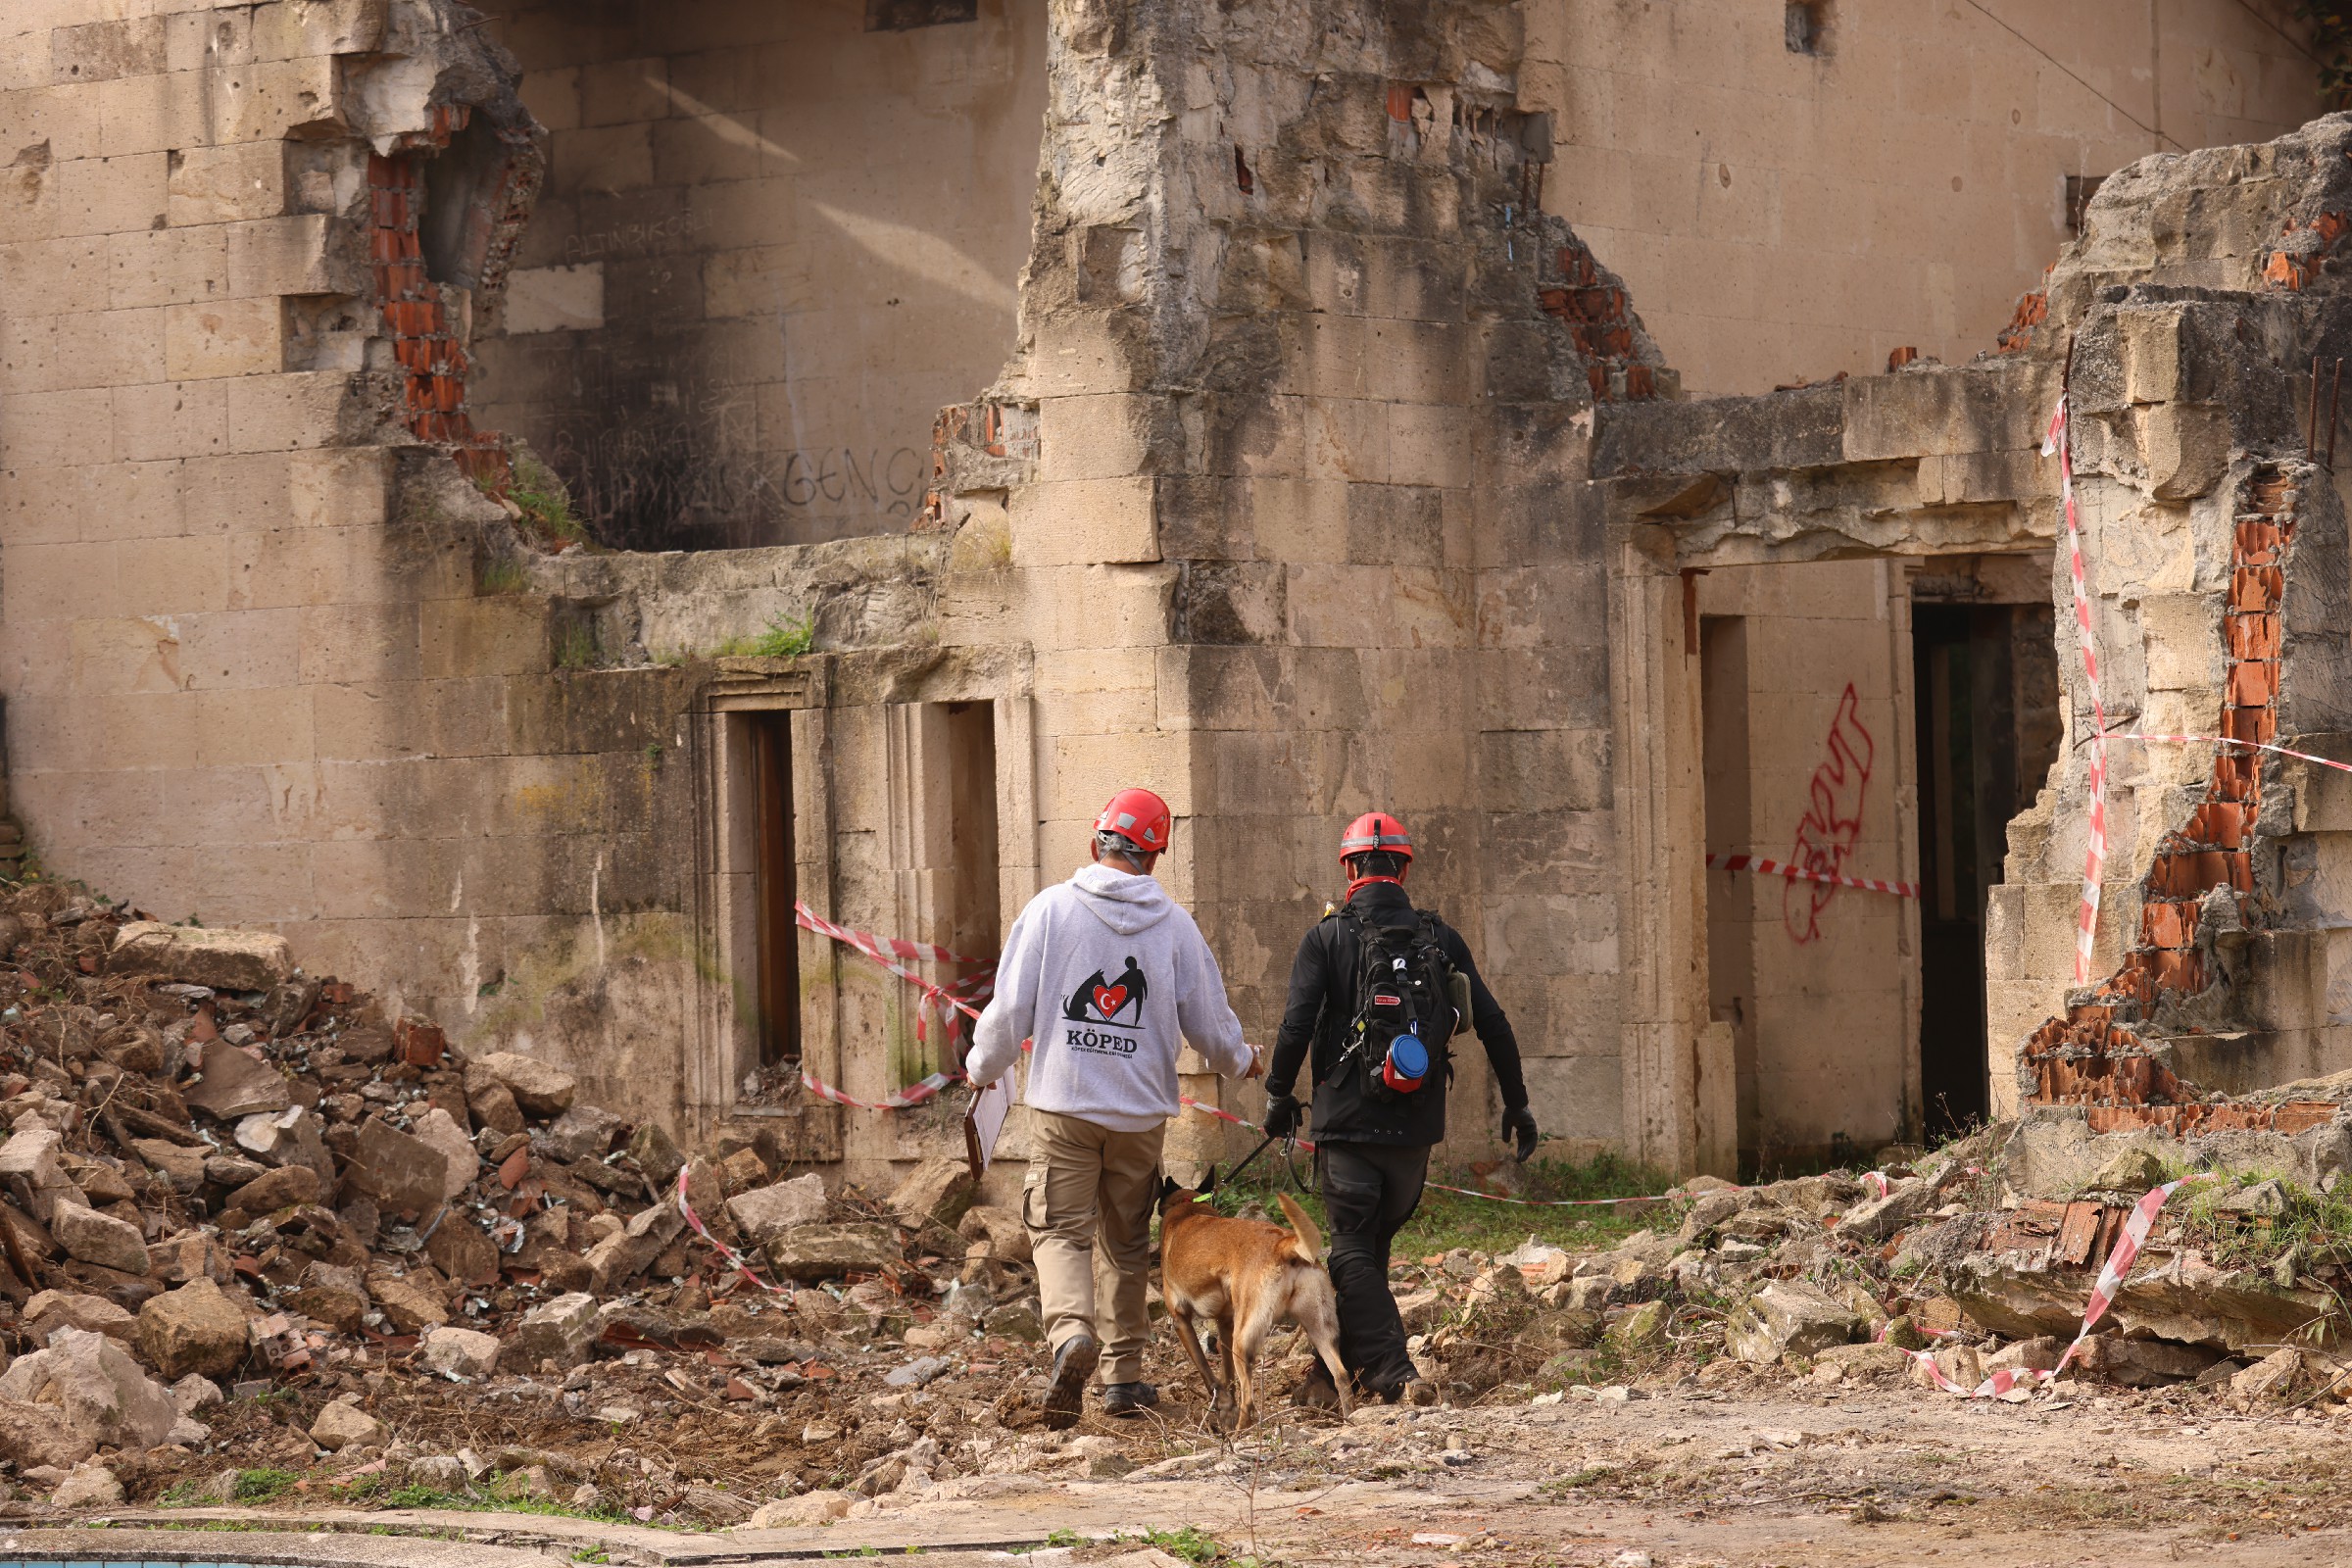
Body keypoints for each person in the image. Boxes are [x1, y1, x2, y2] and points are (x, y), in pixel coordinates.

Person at [966, 786, 1262, 1428]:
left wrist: (979, 1070)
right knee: (1126, 1246)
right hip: (1138, 1117)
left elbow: (1009, 1010)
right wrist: (1244, 1060)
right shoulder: (1175, 925)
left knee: (1058, 1229)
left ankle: (1073, 1335)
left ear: (1093, 843)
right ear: (1154, 857)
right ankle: (1124, 1379)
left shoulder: (1049, 911)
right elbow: (1210, 1023)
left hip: (1064, 1108)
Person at [1262, 810, 1538, 1404]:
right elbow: (1491, 1023)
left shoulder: (1326, 937)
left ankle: (1394, 1372)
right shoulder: (1439, 938)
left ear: (1348, 868)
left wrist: (1279, 1095)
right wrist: (1517, 1105)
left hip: (1348, 1126)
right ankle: (1330, 1378)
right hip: (1414, 1133)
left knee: (1353, 1250)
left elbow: (1294, 1026)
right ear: (1404, 868)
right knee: (1369, 1252)